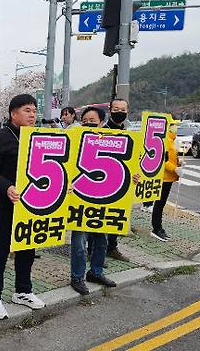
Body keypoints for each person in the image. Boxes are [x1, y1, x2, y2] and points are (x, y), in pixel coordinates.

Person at [0, 94, 45, 320]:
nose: (32, 115)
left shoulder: (38, 137)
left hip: (31, 206)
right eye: (27, 110)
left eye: (34, 110)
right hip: (6, 205)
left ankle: (23, 291)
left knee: (28, 248)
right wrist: (6, 187)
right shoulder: (0, 138)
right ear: (13, 113)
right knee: (0, 250)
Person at [69, 107, 117, 295]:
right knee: (79, 243)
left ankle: (96, 272)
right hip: (80, 200)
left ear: (102, 123)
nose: (88, 123)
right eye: (85, 120)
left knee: (102, 240)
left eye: (93, 120)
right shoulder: (75, 139)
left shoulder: (112, 142)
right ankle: (77, 277)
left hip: (102, 199)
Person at [99, 99, 131, 263]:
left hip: (120, 182)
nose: (120, 112)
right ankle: (96, 252)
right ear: (110, 110)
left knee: (115, 217)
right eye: (116, 109)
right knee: (99, 220)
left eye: (123, 109)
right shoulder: (103, 132)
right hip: (102, 183)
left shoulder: (127, 132)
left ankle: (112, 247)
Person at [151, 121, 183, 242]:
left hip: (169, 177)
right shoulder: (164, 140)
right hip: (163, 177)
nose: (176, 128)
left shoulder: (172, 140)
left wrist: (178, 163)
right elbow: (163, 160)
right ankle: (156, 228)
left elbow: (171, 157)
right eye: (173, 125)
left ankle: (158, 227)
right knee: (159, 204)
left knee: (161, 203)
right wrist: (174, 168)